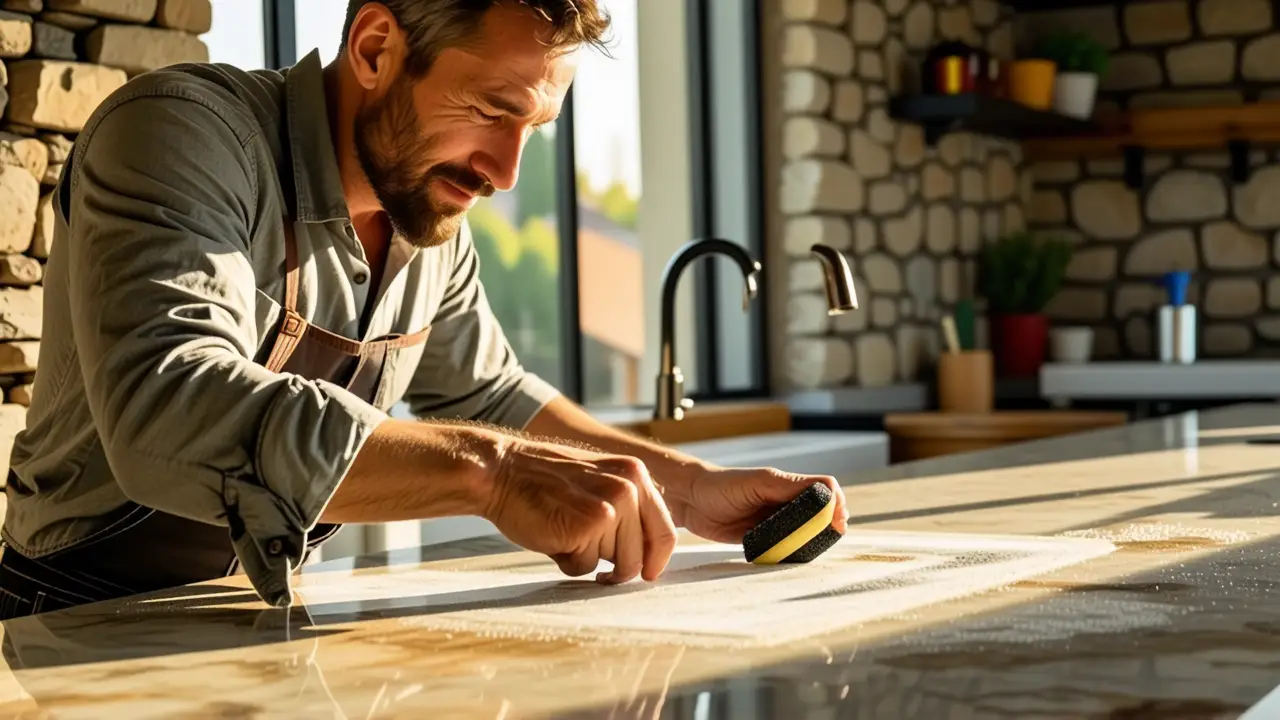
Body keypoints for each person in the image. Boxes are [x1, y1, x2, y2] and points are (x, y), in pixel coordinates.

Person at [0, 0, 848, 619]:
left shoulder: (429, 213)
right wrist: (495, 474)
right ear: (375, 47)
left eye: (536, 127)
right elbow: (166, 410)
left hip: (245, 613)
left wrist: (689, 490)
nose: (509, 171)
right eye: (491, 110)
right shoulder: (180, 135)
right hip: (60, 614)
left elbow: (489, 395)